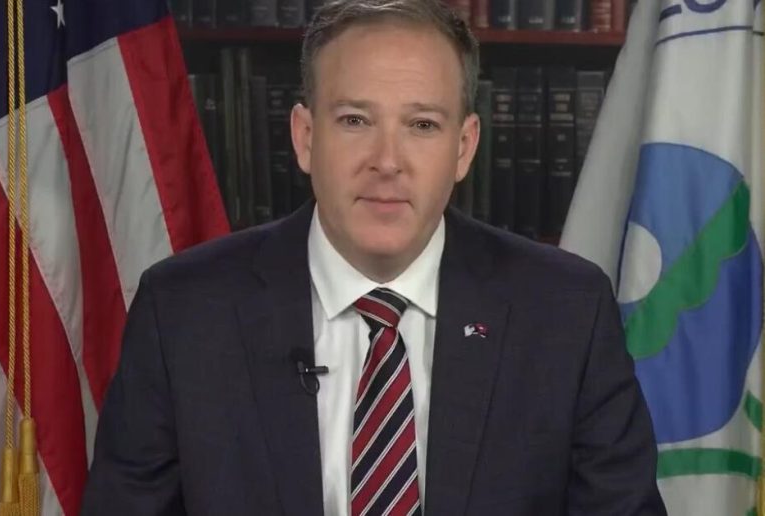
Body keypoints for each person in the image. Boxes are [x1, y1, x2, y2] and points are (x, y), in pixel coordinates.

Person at [81, 0, 667, 514]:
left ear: (464, 148)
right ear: (305, 137)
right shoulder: (184, 312)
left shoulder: (566, 312)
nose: (387, 161)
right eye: (355, 120)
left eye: (422, 124)